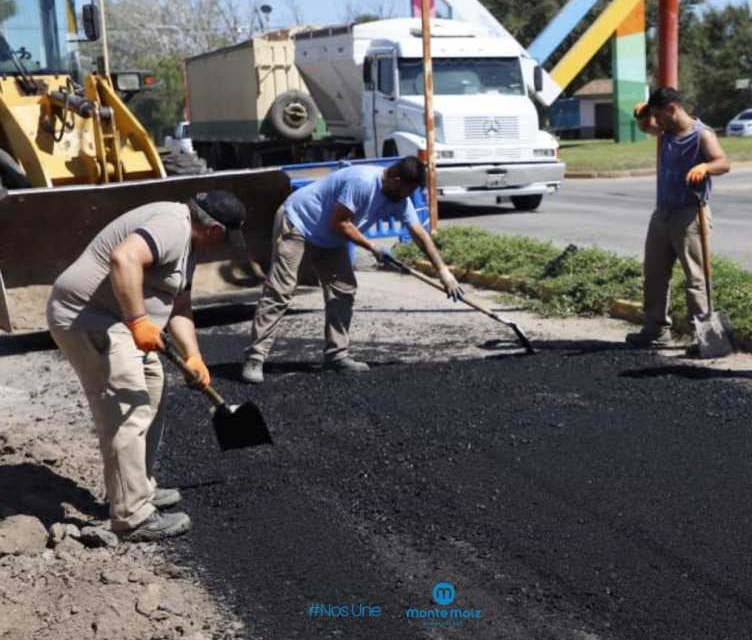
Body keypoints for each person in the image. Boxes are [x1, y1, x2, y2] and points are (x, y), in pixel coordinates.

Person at [47, 190, 247, 541]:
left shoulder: (189, 246)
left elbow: (180, 307)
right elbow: (124, 259)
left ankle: (136, 487)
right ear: (214, 229)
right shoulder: (172, 225)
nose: (224, 246)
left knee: (153, 391)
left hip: (119, 321)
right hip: (90, 319)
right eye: (227, 238)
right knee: (128, 406)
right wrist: (139, 321)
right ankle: (132, 517)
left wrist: (193, 356)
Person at [241, 157, 463, 383]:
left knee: (343, 289)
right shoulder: (362, 182)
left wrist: (443, 271)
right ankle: (255, 357)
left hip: (329, 238)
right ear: (396, 180)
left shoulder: (398, 197)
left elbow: (419, 234)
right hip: (299, 223)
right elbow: (340, 223)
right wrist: (373, 247)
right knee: (281, 291)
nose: (409, 195)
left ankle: (336, 356)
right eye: (409, 189)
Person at [626, 87, 730, 352]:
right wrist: (642, 114)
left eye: (659, 116)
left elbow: (723, 162)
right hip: (662, 214)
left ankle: (705, 339)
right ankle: (655, 330)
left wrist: (705, 166)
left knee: (696, 279)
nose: (656, 123)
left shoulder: (701, 135)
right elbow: (645, 127)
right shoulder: (667, 131)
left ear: (672, 109)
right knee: (654, 274)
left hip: (690, 215)